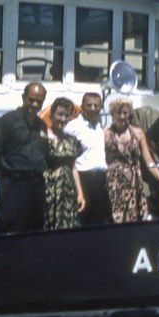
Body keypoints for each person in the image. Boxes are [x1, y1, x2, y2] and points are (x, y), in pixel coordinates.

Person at [0, 82, 49, 233]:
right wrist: (7, 176)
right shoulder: (7, 121)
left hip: (36, 186)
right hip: (14, 185)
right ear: (23, 98)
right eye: (31, 99)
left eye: (39, 101)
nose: (35, 104)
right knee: (11, 229)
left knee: (35, 228)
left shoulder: (42, 125)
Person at [105, 98, 159, 223]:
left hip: (134, 183)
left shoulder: (138, 133)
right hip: (114, 184)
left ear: (129, 113)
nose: (122, 116)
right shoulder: (105, 135)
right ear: (112, 114)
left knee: (135, 221)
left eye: (125, 113)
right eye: (118, 113)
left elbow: (149, 161)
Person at [64, 92, 111, 226]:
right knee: (83, 222)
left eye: (96, 106)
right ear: (82, 106)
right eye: (89, 105)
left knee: (101, 223)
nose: (92, 108)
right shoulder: (72, 127)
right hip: (83, 180)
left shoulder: (98, 126)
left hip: (101, 181)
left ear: (100, 108)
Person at [44, 97, 85, 230]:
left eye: (66, 115)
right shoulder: (41, 137)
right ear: (51, 115)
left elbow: (73, 167)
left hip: (67, 190)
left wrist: (80, 193)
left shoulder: (71, 140)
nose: (63, 119)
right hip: (48, 189)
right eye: (59, 114)